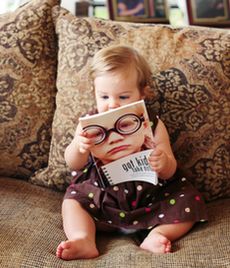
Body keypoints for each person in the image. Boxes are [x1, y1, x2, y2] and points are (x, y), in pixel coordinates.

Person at [56, 45, 208, 260]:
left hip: (149, 196)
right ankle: (83, 238)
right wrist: (79, 148)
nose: (112, 105)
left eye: (124, 97)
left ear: (142, 93)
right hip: (101, 194)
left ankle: (158, 234)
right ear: (95, 93)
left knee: (190, 199)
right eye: (104, 97)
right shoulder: (89, 125)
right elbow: (73, 164)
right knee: (72, 201)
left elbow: (170, 170)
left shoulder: (153, 123)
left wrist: (162, 161)